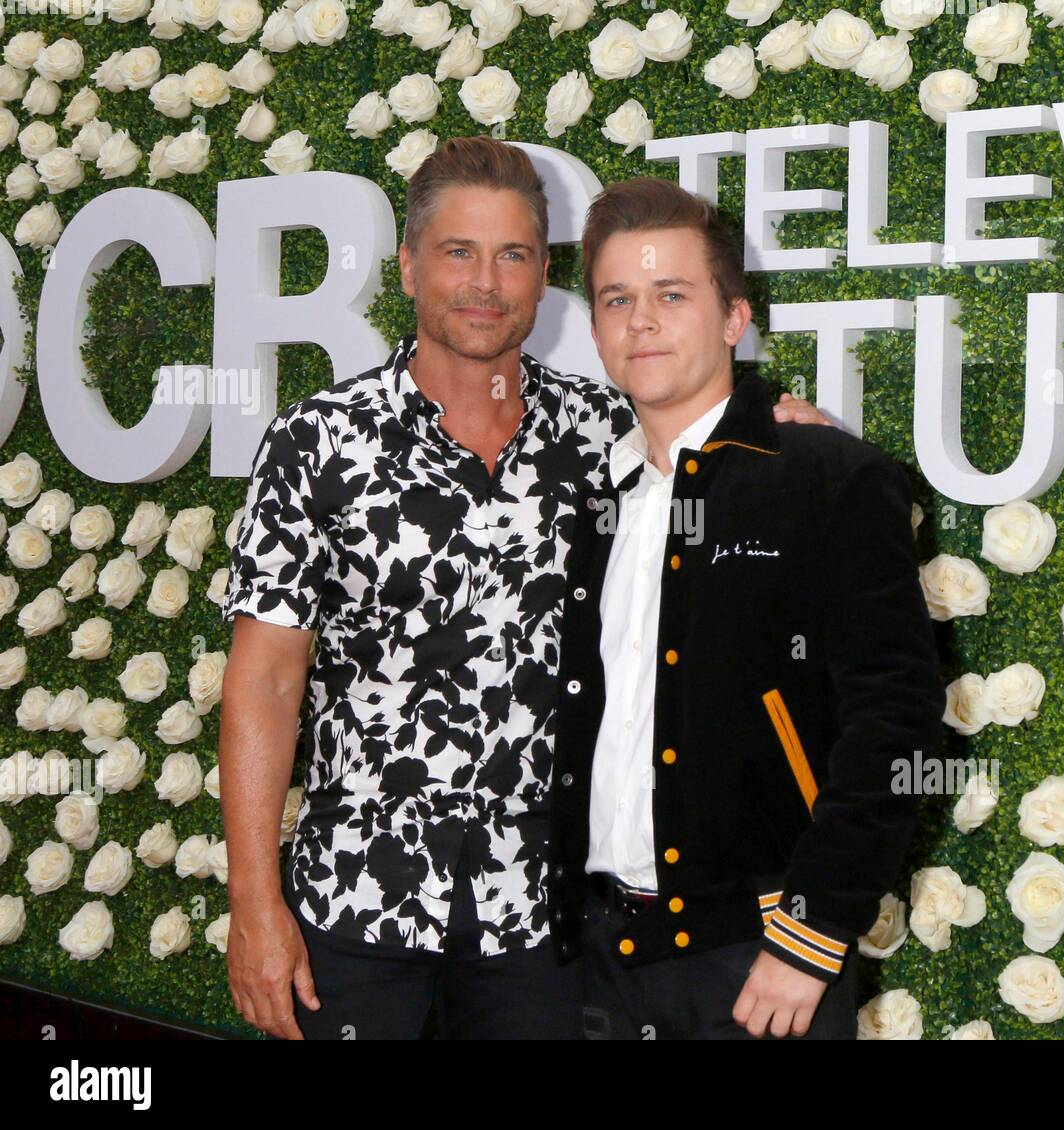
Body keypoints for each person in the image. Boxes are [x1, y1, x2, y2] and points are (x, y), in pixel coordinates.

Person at [218, 137, 828, 1040]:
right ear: (408, 265)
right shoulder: (318, 441)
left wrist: (784, 430)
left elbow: (712, 432)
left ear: (544, 275)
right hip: (352, 903)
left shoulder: (603, 434)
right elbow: (264, 682)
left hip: (542, 921)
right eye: (458, 251)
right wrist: (254, 906)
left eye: (512, 256)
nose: (485, 282)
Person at [546, 177, 948, 1040]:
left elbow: (897, 717)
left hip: (757, 960)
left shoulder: (828, 478)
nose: (641, 320)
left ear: (734, 317)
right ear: (595, 330)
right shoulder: (588, 502)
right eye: (618, 299)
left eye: (672, 295)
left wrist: (811, 934)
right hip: (591, 962)